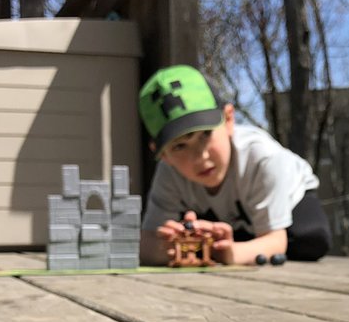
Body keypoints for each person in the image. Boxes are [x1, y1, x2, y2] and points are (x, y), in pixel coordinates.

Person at [137, 64, 331, 266]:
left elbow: (276, 241)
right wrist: (167, 247)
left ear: (229, 119)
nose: (200, 156)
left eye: (205, 134)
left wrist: (227, 253)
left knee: (311, 240)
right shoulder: (168, 173)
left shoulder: (263, 157)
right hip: (231, 218)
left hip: (290, 200)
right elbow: (147, 242)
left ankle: (241, 241)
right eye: (179, 147)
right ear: (163, 155)